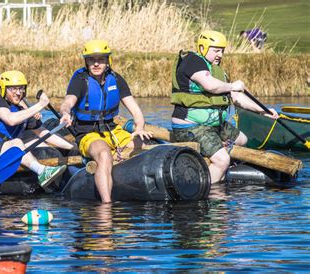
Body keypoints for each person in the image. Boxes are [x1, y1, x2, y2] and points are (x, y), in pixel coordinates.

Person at [170, 30, 278, 184]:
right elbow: (211, 86)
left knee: (242, 140)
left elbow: (237, 98)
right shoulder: (193, 61)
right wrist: (233, 85)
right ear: (203, 48)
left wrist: (263, 111)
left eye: (222, 51)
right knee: (222, 160)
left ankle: (220, 168)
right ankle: (208, 193)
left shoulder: (217, 70)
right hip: (191, 126)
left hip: (214, 125)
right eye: (216, 50)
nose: (220, 55)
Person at [59, 39, 153, 203]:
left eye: (101, 59)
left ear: (107, 60)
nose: (96, 64)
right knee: (103, 154)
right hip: (87, 134)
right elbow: (67, 102)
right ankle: (106, 205)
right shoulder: (80, 80)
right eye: (92, 60)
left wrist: (139, 127)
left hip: (112, 131)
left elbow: (135, 109)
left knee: (146, 148)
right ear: (86, 61)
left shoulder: (116, 79)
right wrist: (65, 113)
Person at [0, 70, 75, 188]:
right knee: (17, 143)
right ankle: (42, 171)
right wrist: (40, 105)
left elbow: (44, 134)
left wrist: (74, 148)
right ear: (3, 88)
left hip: (2, 149)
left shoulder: (22, 110)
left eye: (21, 89)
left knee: (40, 143)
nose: (18, 93)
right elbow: (10, 119)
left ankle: (63, 178)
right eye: (13, 89)